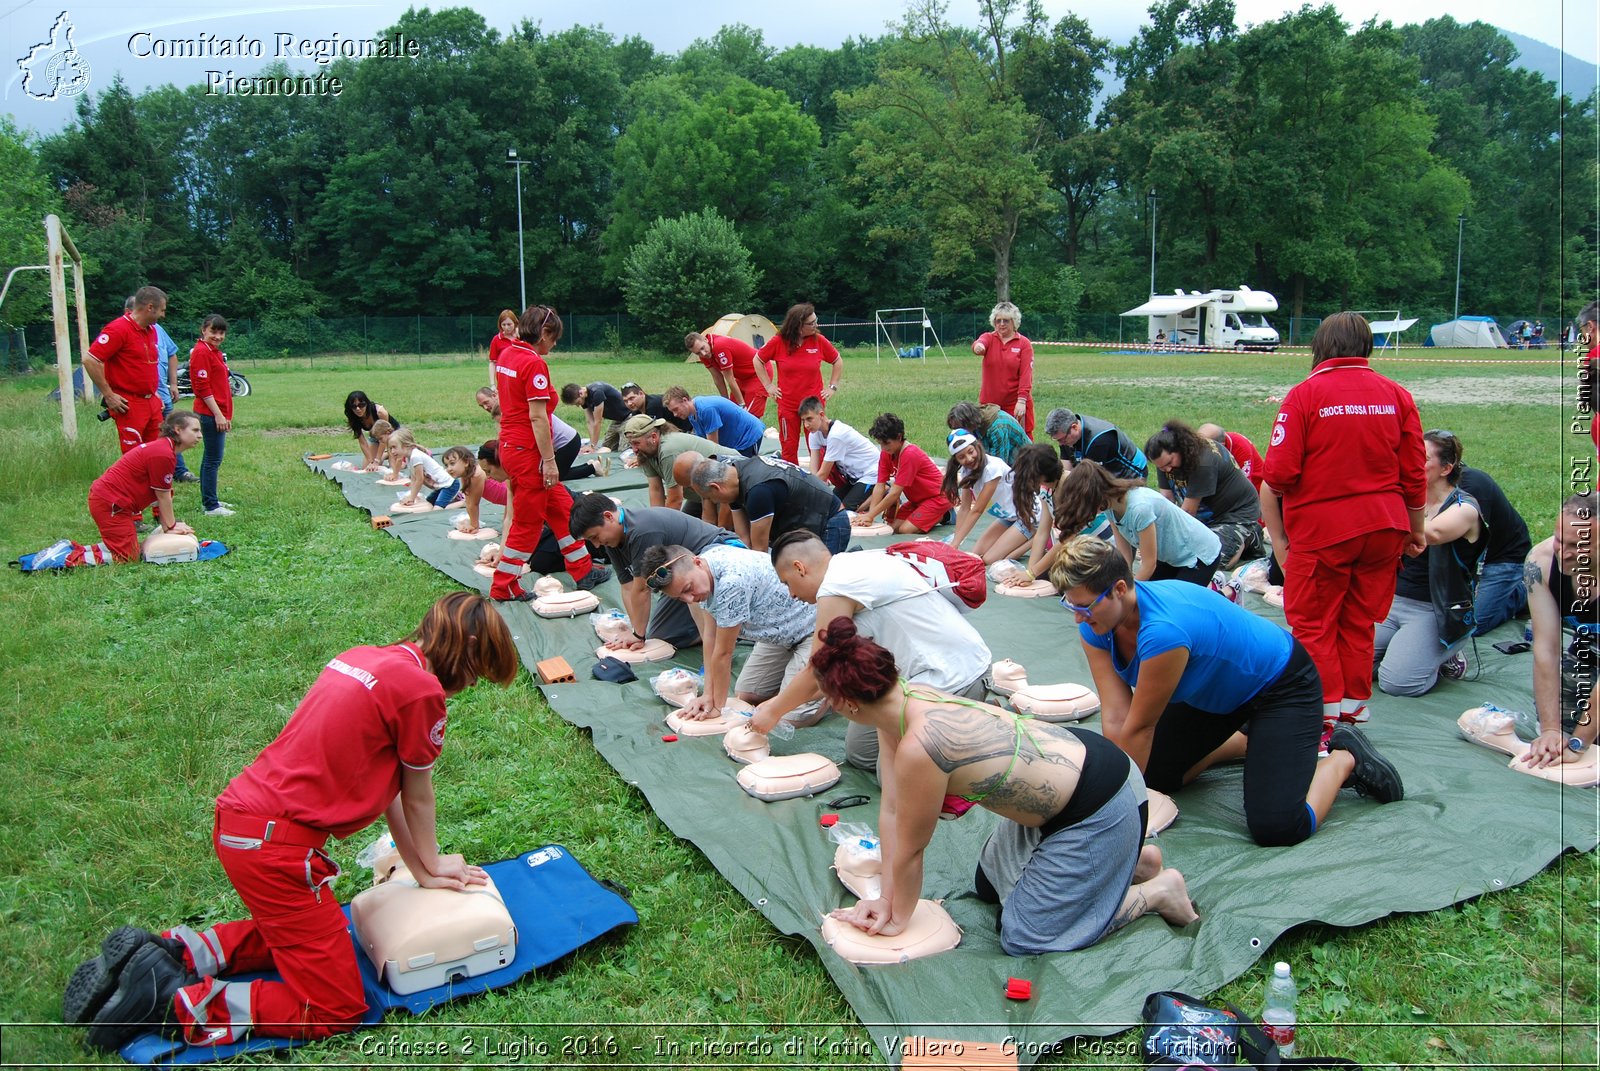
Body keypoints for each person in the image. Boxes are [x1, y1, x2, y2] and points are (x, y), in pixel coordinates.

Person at [64, 593, 519, 1050]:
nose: (469, 686)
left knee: (312, 933)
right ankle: (170, 1001)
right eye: (477, 673)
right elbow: (418, 796)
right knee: (336, 1006)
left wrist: (424, 868)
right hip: (276, 851)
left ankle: (177, 952)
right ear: (470, 645)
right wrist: (434, 861)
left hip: (244, 822)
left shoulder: (363, 658)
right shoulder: (422, 692)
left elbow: (393, 792)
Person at [808, 615, 1197, 954]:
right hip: (1076, 783)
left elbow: (911, 849)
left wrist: (897, 919)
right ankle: (1132, 861)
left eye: (827, 699)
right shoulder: (905, 699)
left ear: (848, 703)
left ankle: (1156, 891)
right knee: (988, 884)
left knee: (1026, 935)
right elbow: (891, 810)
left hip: (1103, 801)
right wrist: (885, 899)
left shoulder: (922, 745)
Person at [1052, 537, 1403, 851]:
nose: (1078, 619)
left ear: (1118, 588)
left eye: (1085, 607)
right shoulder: (1098, 626)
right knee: (1156, 774)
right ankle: (1256, 741)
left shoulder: (1163, 632)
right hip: (1217, 696)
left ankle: (1344, 757)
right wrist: (1114, 791)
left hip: (1281, 686)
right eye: (1071, 606)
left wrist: (1118, 809)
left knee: (1277, 826)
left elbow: (1141, 727)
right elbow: (1116, 717)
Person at [1259, 311, 1425, 734]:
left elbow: (1278, 475)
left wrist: (1279, 538)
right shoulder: (1397, 395)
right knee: (1357, 618)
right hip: (1385, 527)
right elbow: (1415, 473)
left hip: (1325, 529)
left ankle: (1320, 718)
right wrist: (1416, 528)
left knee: (1314, 622)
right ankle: (1352, 710)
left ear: (1321, 346)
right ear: (1366, 346)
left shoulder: (1304, 396)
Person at [760, 531, 992, 774]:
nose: (792, 595)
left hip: (954, 676)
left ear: (799, 567)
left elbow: (819, 671)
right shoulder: (855, 562)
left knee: (896, 777)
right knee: (862, 754)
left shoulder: (837, 586)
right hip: (930, 671)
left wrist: (772, 712)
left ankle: (981, 727)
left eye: (787, 583)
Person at [638, 543, 821, 728]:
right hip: (778, 636)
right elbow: (710, 639)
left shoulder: (731, 582)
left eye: (687, 589)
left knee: (790, 718)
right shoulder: (704, 572)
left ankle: (830, 692)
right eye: (680, 597)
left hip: (812, 628)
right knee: (747, 694)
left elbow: (724, 652)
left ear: (697, 562)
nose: (689, 599)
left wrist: (717, 706)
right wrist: (708, 695)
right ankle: (796, 680)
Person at [493, 305, 607, 600]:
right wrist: (548, 461)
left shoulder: (508, 354)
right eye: (554, 338)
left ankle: (583, 569)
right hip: (528, 451)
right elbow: (537, 417)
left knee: (562, 510)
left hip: (511, 445)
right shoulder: (533, 364)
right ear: (543, 333)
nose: (554, 345)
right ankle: (504, 585)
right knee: (528, 523)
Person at [1372, 430, 1486, 696]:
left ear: (1446, 468)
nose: (1410, 464)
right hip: (1390, 601)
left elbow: (1430, 534)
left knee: (1396, 683)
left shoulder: (1465, 509)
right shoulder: (1403, 498)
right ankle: (1406, 652)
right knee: (1346, 665)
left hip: (1434, 610)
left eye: (1421, 459)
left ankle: (1446, 655)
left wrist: (1378, 508)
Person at [569, 492, 742, 650]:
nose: (597, 545)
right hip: (680, 572)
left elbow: (642, 588)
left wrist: (638, 635)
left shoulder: (641, 531)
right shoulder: (613, 538)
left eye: (594, 537)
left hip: (719, 553)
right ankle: (721, 625)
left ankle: (727, 631)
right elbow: (628, 586)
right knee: (662, 637)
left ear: (608, 517)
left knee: (693, 604)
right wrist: (637, 633)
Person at [1522, 492, 1600, 769]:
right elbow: (1546, 648)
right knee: (1558, 733)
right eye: (1559, 540)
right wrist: (1551, 730)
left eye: (1577, 546)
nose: (1563, 553)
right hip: (1587, 651)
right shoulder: (1540, 562)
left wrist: (1580, 742)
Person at [1055, 460, 1221, 586]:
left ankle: (1219, 589)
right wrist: (1121, 582)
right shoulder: (1110, 507)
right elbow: (1125, 555)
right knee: (1149, 597)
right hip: (1171, 557)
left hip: (1199, 556)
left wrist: (1126, 592)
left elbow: (1149, 564)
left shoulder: (1139, 508)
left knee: (1174, 607)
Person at [82, 410, 200, 563]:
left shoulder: (164, 449)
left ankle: (82, 550)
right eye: (195, 430)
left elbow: (163, 493)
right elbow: (162, 496)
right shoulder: (163, 453)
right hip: (110, 504)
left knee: (128, 550)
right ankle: (63, 557)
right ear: (178, 429)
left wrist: (168, 526)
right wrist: (171, 527)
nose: (200, 436)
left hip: (113, 503)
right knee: (127, 556)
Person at [1146, 420, 1263, 570]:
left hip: (1234, 515)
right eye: (1161, 468)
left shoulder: (1203, 461)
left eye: (1169, 463)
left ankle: (1250, 536)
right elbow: (1166, 500)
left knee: (1211, 561)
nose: (1167, 470)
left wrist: (1168, 544)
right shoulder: (1164, 461)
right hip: (1206, 517)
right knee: (1178, 555)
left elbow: (1188, 513)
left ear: (1180, 449)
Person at [690, 453, 850, 554]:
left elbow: (760, 551)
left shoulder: (759, 491)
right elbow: (744, 539)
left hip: (830, 521)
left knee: (821, 583)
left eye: (709, 497)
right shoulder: (734, 478)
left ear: (715, 487)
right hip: (807, 522)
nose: (713, 502)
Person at [755, 303, 843, 463]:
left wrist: (832, 387)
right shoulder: (778, 342)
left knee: (817, 446)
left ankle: (820, 481)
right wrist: (768, 386)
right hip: (788, 404)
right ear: (798, 326)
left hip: (813, 405)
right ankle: (792, 483)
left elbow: (837, 360)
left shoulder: (819, 341)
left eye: (816, 320)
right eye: (811, 323)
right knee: (789, 446)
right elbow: (758, 359)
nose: (816, 325)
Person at [85, 286, 167, 458]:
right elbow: (90, 360)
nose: (163, 315)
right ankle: (134, 485)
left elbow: (146, 366)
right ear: (149, 307)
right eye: (161, 310)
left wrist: (154, 394)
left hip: (151, 402)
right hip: (130, 403)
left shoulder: (151, 331)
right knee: (135, 456)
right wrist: (109, 395)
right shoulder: (118, 329)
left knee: (157, 450)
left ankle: (154, 485)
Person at [1455, 461, 1531, 635]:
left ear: (1446, 466)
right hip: (1466, 559)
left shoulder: (1471, 485)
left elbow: (1471, 545)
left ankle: (1524, 592)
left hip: (1503, 558)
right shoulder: (1423, 486)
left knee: (1469, 625)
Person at [854, 413, 952, 535]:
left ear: (899, 437)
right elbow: (880, 485)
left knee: (905, 530)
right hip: (916, 501)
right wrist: (871, 516)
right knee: (892, 528)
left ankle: (946, 515)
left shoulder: (909, 454)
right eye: (881, 444)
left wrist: (870, 514)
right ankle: (929, 515)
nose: (883, 448)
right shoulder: (886, 453)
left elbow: (895, 493)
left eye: (887, 443)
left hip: (937, 498)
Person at [478, 387, 602, 481]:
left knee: (554, 476)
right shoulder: (518, 416)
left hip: (568, 443)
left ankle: (592, 468)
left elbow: (540, 437)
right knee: (550, 472)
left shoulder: (528, 418)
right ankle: (589, 465)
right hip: (560, 442)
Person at [991, 443, 1069, 587]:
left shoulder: (1070, 487)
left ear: (1041, 474)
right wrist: (1031, 573)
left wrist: (1032, 573)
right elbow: (1042, 532)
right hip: (1071, 547)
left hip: (1091, 549)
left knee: (1064, 584)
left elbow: (1068, 539)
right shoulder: (1047, 488)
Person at [622, 416, 724, 517]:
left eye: (637, 443)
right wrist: (656, 520)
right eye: (631, 444)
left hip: (725, 487)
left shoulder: (668, 450)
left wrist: (664, 527)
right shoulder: (646, 452)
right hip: (703, 495)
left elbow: (675, 499)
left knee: (720, 528)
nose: (634, 450)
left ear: (653, 437)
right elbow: (656, 489)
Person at [187, 314, 235, 517]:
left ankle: (211, 498)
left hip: (218, 412)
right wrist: (218, 415)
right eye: (213, 331)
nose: (217, 336)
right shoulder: (201, 353)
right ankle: (210, 505)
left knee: (213, 458)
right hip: (209, 414)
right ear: (203, 330)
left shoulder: (213, 352)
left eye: (221, 332)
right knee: (212, 459)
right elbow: (202, 388)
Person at [942, 429, 1015, 557]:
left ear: (977, 446)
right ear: (956, 461)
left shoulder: (992, 468)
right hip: (1008, 518)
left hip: (1027, 517)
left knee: (989, 558)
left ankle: (1035, 537)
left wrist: (954, 544)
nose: (969, 459)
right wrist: (956, 542)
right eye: (961, 457)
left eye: (971, 452)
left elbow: (977, 510)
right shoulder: (966, 472)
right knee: (976, 553)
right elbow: (964, 509)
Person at [799, 396, 878, 510]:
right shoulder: (814, 434)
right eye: (803, 420)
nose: (806, 425)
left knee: (844, 509)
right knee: (830, 504)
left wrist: (805, 495)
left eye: (809, 419)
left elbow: (823, 474)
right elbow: (814, 470)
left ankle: (882, 493)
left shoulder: (836, 435)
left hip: (871, 474)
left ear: (821, 415)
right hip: (851, 477)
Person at [972, 301, 1036, 435]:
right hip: (990, 406)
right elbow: (979, 344)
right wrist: (978, 346)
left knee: (1021, 441)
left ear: (1014, 322)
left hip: (1015, 404)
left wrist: (1022, 401)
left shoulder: (1024, 344)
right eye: (998, 320)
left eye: (1006, 321)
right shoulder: (988, 338)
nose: (1001, 324)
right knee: (989, 438)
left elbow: (1026, 375)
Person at [1044, 406, 1149, 480]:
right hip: (1104, 471)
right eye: (1057, 440)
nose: (1061, 444)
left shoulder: (1099, 441)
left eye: (1062, 440)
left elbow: (1092, 481)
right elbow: (1066, 472)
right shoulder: (1066, 436)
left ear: (1074, 427)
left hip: (1131, 472)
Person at [152, 313, 196, 485]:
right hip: (144, 399)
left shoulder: (158, 330)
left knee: (173, 433)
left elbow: (172, 354)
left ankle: (180, 471)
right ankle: (151, 473)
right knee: (151, 438)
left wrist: (173, 384)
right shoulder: (127, 331)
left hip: (164, 395)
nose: (161, 315)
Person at [663, 386, 766, 457]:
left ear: (685, 400)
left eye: (676, 409)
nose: (675, 415)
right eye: (672, 411)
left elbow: (712, 448)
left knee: (742, 471)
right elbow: (702, 441)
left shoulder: (706, 409)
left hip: (748, 436)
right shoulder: (691, 414)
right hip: (734, 439)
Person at [686, 330, 768, 417]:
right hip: (742, 377)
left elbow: (730, 379)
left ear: (705, 340)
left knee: (750, 416)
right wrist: (725, 402)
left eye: (702, 348)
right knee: (732, 412)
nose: (703, 353)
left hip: (759, 372)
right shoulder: (704, 356)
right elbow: (718, 378)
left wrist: (742, 404)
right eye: (698, 352)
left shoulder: (720, 346)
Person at [387, 428, 460, 510]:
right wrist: (411, 495)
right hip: (441, 487)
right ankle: (453, 498)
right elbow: (414, 479)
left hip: (450, 485)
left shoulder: (415, 456)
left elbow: (419, 479)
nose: (392, 451)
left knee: (437, 510)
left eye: (394, 447)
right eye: (390, 448)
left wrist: (411, 498)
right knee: (428, 503)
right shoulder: (409, 458)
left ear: (405, 445)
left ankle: (462, 503)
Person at [945, 400, 1029, 466]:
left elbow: (998, 466)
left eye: (959, 429)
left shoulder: (997, 428)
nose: (958, 434)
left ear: (969, 423)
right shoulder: (975, 426)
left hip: (1022, 463)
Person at [559, 380, 630, 453]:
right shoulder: (584, 398)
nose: (578, 405)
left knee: (623, 449)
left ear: (581, 393)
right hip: (617, 420)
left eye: (578, 403)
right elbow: (590, 422)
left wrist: (592, 445)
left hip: (628, 416)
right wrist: (591, 444)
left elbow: (598, 421)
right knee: (606, 447)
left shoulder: (597, 392)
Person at [1197, 423, 1264, 492]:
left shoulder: (1241, 449)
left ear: (1220, 446)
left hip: (1255, 492)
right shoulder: (1216, 444)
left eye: (1205, 446)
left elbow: (1244, 486)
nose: (1199, 449)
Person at [342, 391, 399, 471]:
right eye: (354, 406)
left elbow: (384, 439)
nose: (358, 409)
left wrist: (377, 460)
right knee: (367, 467)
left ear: (367, 403)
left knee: (397, 466)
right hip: (375, 436)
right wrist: (371, 461)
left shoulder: (380, 412)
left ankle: (389, 454)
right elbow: (362, 442)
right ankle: (385, 455)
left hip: (391, 434)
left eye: (361, 405)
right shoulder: (353, 417)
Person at [443, 447, 493, 534]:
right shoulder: (465, 475)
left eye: (452, 463)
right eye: (446, 465)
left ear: (466, 462)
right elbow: (468, 501)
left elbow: (473, 504)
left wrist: (474, 526)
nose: (449, 469)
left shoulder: (476, 474)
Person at [620, 381, 693, 433]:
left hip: (688, 430)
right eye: (626, 401)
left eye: (632, 398)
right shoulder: (636, 411)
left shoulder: (653, 405)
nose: (629, 403)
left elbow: (654, 432)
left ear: (641, 394)